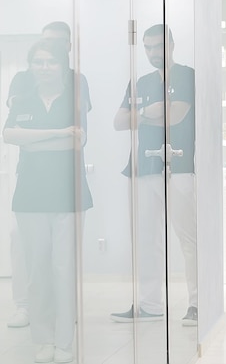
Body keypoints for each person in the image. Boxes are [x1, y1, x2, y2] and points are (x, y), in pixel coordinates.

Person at [2, 39, 93, 363]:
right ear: (31, 66)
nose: (44, 67)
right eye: (38, 62)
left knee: (63, 270)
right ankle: (43, 340)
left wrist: (34, 138)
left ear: (61, 65)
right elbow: (8, 135)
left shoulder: (74, 99)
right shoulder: (23, 99)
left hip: (68, 196)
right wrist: (57, 133)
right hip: (30, 197)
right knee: (37, 271)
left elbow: (76, 142)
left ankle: (65, 342)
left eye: (50, 62)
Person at [111, 24, 198, 326]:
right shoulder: (141, 82)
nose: (152, 53)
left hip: (179, 167)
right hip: (144, 168)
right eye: (147, 47)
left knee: (188, 238)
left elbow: (176, 116)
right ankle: (149, 304)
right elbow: (119, 122)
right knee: (147, 239)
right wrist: (151, 111)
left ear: (171, 44)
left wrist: (146, 114)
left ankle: (197, 304)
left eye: (158, 46)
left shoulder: (187, 75)